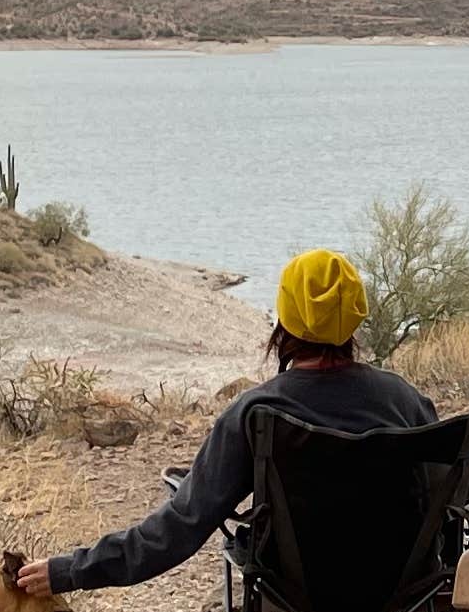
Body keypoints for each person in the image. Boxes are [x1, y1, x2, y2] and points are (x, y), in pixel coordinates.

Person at [30, 248, 433, 594]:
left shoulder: (256, 413)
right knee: (365, 520)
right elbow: (439, 502)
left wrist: (70, 570)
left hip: (296, 587)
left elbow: (178, 530)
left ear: (286, 318)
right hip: (400, 580)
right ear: (355, 316)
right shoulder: (404, 400)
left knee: (306, 536)